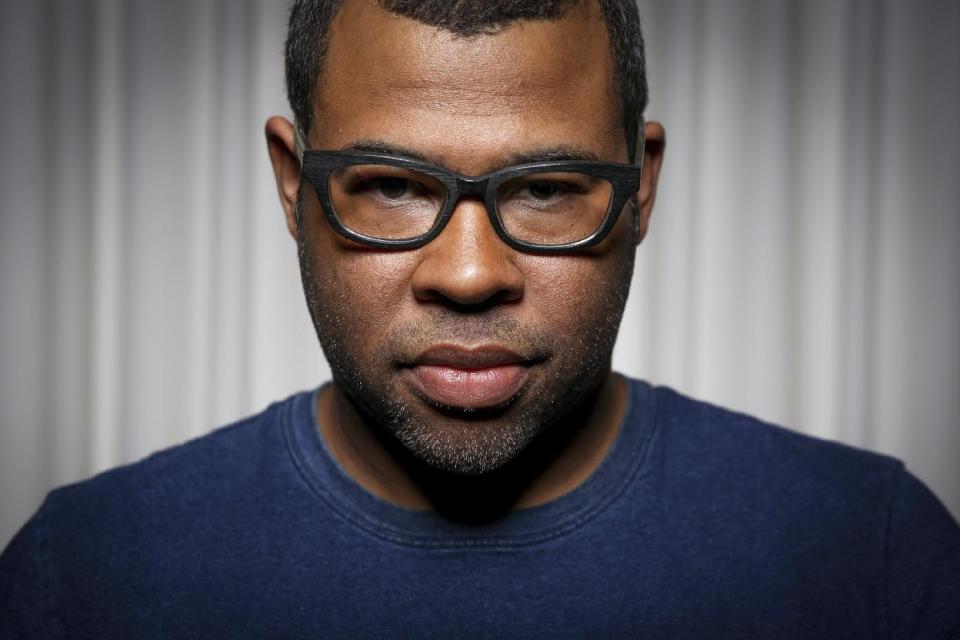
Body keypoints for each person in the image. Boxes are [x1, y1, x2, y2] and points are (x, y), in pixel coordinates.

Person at [2, 0, 958, 636]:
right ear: (293, 187)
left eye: (545, 187)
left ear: (642, 191)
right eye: (389, 187)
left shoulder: (872, 558)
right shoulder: (82, 578)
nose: (468, 276)